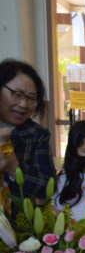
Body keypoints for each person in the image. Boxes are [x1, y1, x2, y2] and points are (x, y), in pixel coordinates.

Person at [0, 59, 55, 205]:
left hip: (17, 223)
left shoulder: (37, 135)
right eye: (17, 94)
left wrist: (14, 167)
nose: (24, 104)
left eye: (31, 98)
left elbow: (48, 186)